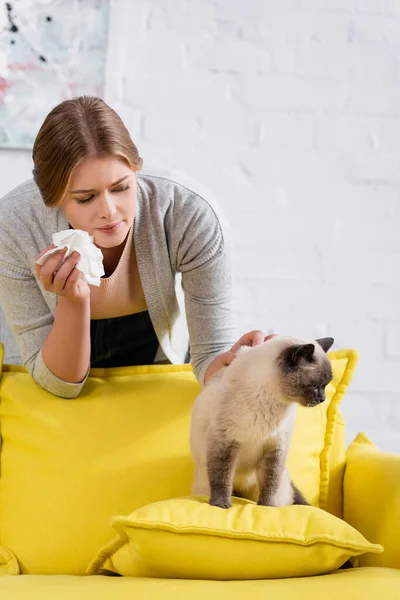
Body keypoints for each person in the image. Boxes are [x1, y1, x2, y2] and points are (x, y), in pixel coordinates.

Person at [0, 96, 272, 399]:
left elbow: (210, 354)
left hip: (153, 355)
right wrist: (73, 301)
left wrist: (232, 367)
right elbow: (59, 385)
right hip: (47, 370)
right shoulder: (13, 225)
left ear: (136, 169)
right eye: (85, 197)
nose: (110, 211)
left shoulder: (187, 213)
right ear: (52, 199)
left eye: (121, 188)